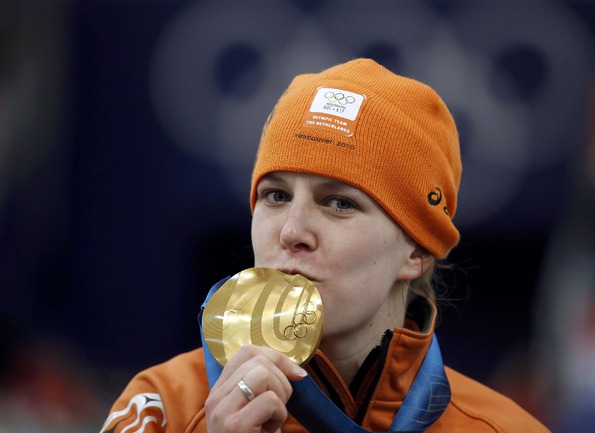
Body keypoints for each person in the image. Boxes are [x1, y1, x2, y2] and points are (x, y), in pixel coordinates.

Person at [100, 58, 550, 432]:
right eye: (276, 196)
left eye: (339, 203)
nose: (291, 231)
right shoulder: (162, 409)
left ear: (416, 251)